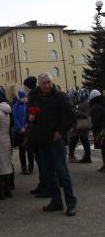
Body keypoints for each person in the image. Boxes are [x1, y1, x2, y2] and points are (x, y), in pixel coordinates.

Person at [28, 73, 77, 216]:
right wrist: (30, 116)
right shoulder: (34, 96)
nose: (47, 85)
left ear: (52, 82)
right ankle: (56, 202)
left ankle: (71, 203)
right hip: (41, 139)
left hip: (55, 140)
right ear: (39, 83)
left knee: (63, 173)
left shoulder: (60, 96)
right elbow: (30, 111)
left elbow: (69, 115)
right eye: (44, 83)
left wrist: (60, 132)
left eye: (48, 82)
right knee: (49, 173)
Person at [12, 90, 34, 174]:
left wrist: (27, 125)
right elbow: (14, 118)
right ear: (20, 98)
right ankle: (23, 168)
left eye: (26, 97)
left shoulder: (29, 106)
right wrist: (20, 127)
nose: (25, 99)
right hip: (20, 131)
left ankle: (31, 167)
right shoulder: (15, 106)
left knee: (30, 150)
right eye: (23, 97)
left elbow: (30, 117)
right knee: (22, 150)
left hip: (28, 130)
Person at [68, 89, 92, 163]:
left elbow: (87, 114)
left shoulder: (86, 103)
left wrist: (77, 112)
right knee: (80, 139)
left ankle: (87, 157)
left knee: (84, 140)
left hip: (83, 124)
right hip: (79, 124)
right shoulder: (82, 102)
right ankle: (85, 156)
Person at [89, 89, 105, 172]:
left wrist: (93, 129)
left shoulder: (95, 106)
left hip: (101, 130)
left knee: (103, 148)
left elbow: (96, 119)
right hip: (103, 129)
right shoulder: (102, 103)